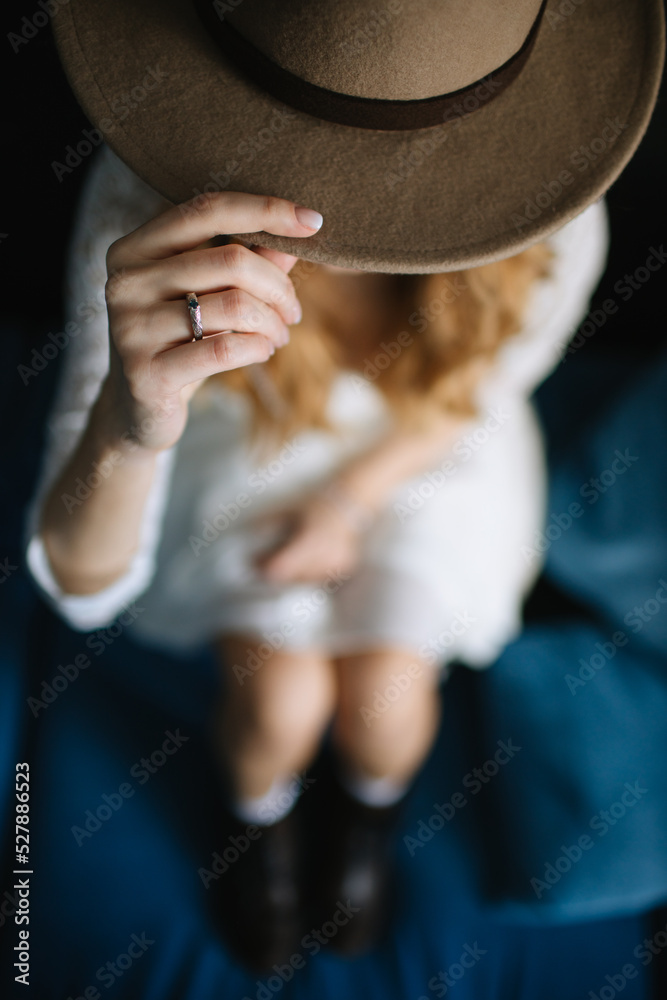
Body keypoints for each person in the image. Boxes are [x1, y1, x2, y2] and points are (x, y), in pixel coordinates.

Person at [28, 0, 664, 974]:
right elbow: (82, 578)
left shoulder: (553, 215)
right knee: (277, 699)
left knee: (386, 701)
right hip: (238, 449)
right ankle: (261, 829)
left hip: (427, 455)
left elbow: (482, 391)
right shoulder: (149, 212)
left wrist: (349, 504)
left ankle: (361, 820)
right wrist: (134, 414)